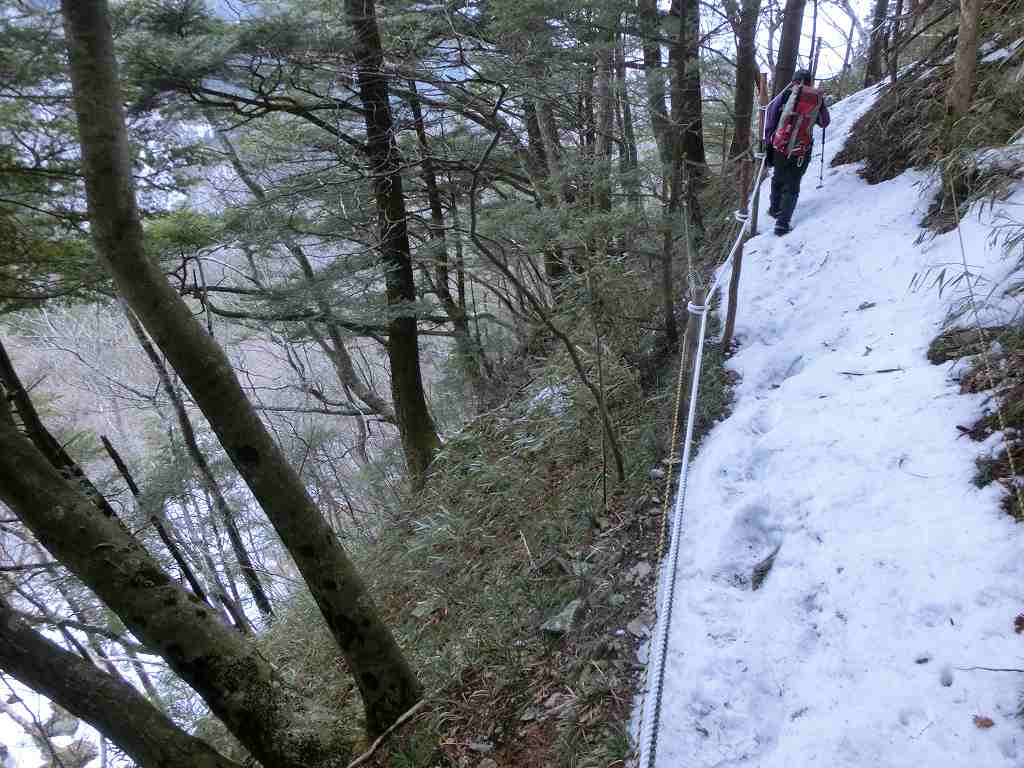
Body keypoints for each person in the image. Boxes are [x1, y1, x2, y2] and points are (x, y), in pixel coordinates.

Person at [764, 70, 831, 236]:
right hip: (801, 149)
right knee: (792, 185)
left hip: (780, 146)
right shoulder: (815, 98)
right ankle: (782, 225)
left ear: (793, 81)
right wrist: (820, 103)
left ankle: (774, 209)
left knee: (778, 177)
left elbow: (771, 119)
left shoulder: (784, 96)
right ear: (809, 82)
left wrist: (770, 142)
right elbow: (824, 122)